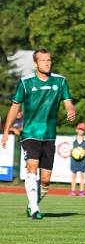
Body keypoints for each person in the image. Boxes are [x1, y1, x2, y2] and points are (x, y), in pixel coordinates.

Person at [1, 49, 75, 220]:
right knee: (32, 167)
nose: (47, 63)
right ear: (35, 63)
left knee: (46, 180)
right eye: (43, 60)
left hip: (49, 135)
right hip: (30, 133)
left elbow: (68, 103)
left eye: (49, 60)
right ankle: (34, 208)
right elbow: (15, 107)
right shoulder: (25, 83)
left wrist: (71, 110)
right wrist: (6, 131)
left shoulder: (60, 81)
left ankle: (32, 203)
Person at [70, 122, 85, 196]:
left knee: (82, 175)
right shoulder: (72, 139)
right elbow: (70, 149)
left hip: (83, 160)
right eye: (79, 129)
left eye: (82, 130)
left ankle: (81, 191)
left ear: (84, 131)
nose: (81, 131)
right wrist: (74, 151)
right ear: (76, 130)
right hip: (74, 160)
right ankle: (73, 191)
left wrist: (83, 151)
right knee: (73, 175)